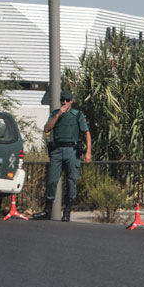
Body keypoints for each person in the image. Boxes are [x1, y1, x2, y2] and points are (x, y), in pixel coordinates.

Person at [32, 90, 92, 221]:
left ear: (71, 101)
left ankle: (67, 212)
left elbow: (86, 133)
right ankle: (47, 210)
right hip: (57, 150)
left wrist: (88, 152)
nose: (64, 102)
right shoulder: (55, 114)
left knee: (71, 181)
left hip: (72, 150)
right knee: (52, 181)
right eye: (62, 100)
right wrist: (58, 114)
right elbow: (47, 129)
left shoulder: (77, 115)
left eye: (67, 100)